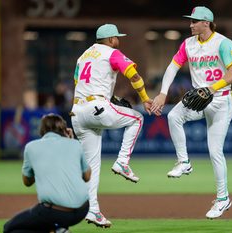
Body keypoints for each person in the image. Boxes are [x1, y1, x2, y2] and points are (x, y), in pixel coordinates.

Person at [151, 6, 232, 219]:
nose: (190, 25)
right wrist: (163, 93)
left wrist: (212, 88)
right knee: (173, 116)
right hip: (199, 99)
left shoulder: (223, 42)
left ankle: (223, 199)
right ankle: (184, 162)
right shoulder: (188, 44)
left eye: (194, 21)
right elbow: (172, 67)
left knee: (214, 151)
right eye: (190, 21)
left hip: (220, 101)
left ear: (206, 23)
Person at [70, 23, 153, 227]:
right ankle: (122, 162)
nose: (118, 40)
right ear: (110, 40)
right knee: (137, 119)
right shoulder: (112, 52)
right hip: (96, 107)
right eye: (117, 37)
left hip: (77, 112)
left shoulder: (83, 56)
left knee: (92, 165)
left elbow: (78, 82)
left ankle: (93, 210)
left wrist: (109, 96)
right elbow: (133, 75)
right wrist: (145, 98)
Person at [4, 114, 91, 233]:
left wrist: (41, 166)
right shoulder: (75, 144)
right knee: (46, 224)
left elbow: (27, 182)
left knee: (9, 228)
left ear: (42, 129)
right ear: (65, 130)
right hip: (82, 209)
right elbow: (87, 176)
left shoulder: (31, 147)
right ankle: (59, 230)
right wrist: (71, 142)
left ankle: (57, 231)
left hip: (54, 212)